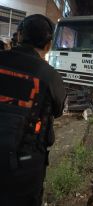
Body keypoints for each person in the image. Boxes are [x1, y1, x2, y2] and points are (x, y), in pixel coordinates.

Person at [0, 14, 66, 206]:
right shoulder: (49, 76)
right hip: (24, 168)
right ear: (48, 45)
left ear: (19, 35)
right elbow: (58, 109)